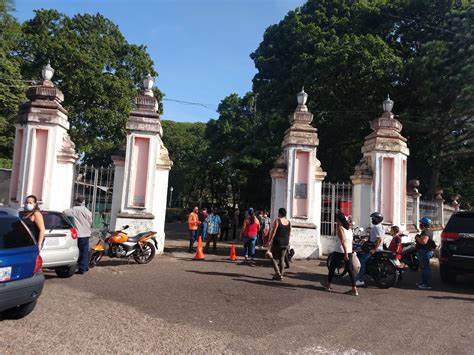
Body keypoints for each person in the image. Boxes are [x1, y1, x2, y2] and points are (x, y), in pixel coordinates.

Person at [322, 211, 358, 296]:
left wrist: (345, 253)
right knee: (350, 271)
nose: (336, 221)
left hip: (340, 251)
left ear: (339, 219)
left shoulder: (340, 228)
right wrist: (350, 251)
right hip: (348, 251)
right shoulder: (349, 229)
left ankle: (328, 285)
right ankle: (354, 289)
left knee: (332, 268)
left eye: (336, 219)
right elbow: (350, 241)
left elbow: (343, 241)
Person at [64, 196, 93, 274]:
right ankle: (84, 267)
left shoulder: (73, 210)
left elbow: (64, 212)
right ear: (84, 202)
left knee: (77, 251)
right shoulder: (87, 211)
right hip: (86, 234)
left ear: (76, 201)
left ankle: (78, 266)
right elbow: (90, 221)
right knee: (84, 251)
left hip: (77, 234)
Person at [355, 212, 385, 287]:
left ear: (377, 219)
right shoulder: (381, 226)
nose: (372, 219)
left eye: (373, 218)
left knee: (361, 261)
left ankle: (360, 280)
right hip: (378, 247)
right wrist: (366, 239)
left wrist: (374, 249)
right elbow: (374, 238)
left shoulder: (376, 227)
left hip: (374, 248)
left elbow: (379, 239)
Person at [268, 208, 291, 280]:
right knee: (282, 258)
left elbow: (274, 231)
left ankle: (277, 273)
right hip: (285, 242)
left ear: (280, 213)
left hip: (277, 242)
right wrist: (288, 242)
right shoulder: (288, 222)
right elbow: (289, 233)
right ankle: (281, 275)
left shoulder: (277, 220)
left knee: (273, 258)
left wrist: (270, 240)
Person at [415, 217, 435, 289]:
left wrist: (417, 237)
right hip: (425, 251)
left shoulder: (426, 232)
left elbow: (424, 242)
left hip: (424, 251)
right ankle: (423, 282)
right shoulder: (429, 231)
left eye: (421, 223)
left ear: (423, 224)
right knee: (423, 267)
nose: (420, 225)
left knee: (425, 268)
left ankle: (426, 284)